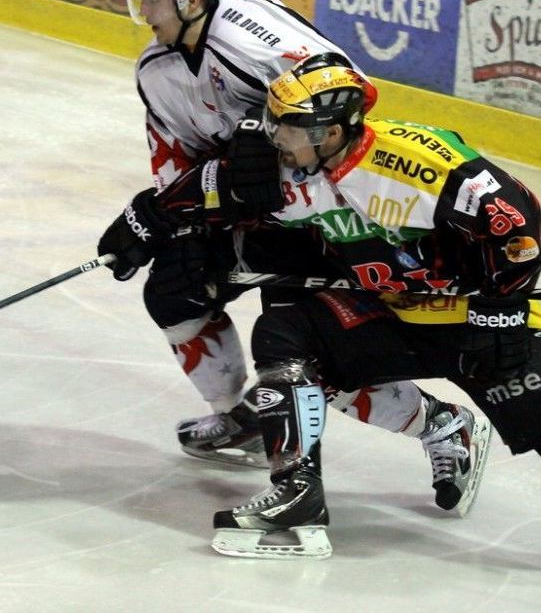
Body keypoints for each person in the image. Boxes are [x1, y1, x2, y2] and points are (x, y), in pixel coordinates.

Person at [112, 51, 540, 558]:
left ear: (330, 132)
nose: (274, 137)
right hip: (396, 315)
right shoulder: (294, 167)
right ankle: (298, 493)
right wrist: (145, 220)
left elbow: (519, 227)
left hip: (490, 321)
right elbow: (215, 188)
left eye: (286, 128)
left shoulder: (414, 162)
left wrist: (502, 309)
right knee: (287, 336)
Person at [98, 0, 472, 491]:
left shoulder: (256, 36)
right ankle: (236, 418)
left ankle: (442, 425)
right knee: (173, 291)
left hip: (319, 217)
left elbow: (353, 94)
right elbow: (173, 152)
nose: (142, 10)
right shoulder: (155, 70)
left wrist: (265, 142)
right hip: (242, 213)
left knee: (303, 349)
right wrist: (173, 214)